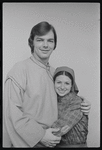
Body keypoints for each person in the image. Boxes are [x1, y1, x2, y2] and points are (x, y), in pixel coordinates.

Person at [3, 21, 91, 148]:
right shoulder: (19, 70)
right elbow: (12, 113)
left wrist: (83, 102)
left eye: (50, 41)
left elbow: (66, 97)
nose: (45, 45)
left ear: (54, 44)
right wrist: (41, 135)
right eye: (40, 40)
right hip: (32, 143)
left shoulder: (56, 73)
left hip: (56, 142)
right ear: (32, 42)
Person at [51, 66, 88, 147]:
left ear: (72, 85)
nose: (62, 87)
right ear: (53, 83)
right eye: (59, 82)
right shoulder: (53, 100)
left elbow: (59, 129)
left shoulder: (77, 101)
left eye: (67, 83)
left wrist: (37, 133)